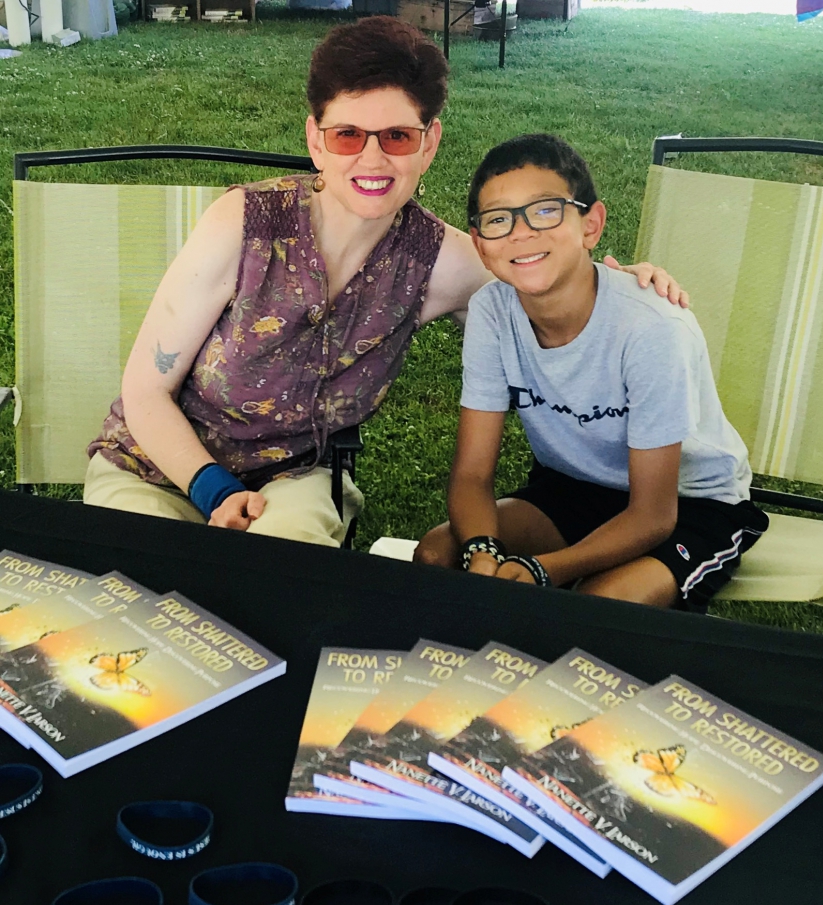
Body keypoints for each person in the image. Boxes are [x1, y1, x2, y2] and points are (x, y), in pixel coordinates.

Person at [84, 18, 686, 549]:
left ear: (430, 144)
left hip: (296, 479)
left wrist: (626, 285)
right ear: (315, 140)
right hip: (157, 468)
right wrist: (213, 491)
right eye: (348, 135)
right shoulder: (241, 228)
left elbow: (549, 287)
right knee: (137, 592)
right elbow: (144, 392)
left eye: (397, 136)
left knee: (274, 595)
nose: (372, 160)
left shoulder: (440, 262)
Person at [414, 134, 769, 611]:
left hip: (690, 505)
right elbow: (473, 474)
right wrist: (482, 552)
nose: (521, 233)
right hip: (573, 487)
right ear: (479, 243)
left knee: (598, 605)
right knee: (438, 554)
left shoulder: (651, 328)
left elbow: (653, 515)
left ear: (591, 224)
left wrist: (546, 569)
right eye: (498, 220)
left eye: (545, 211)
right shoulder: (492, 312)